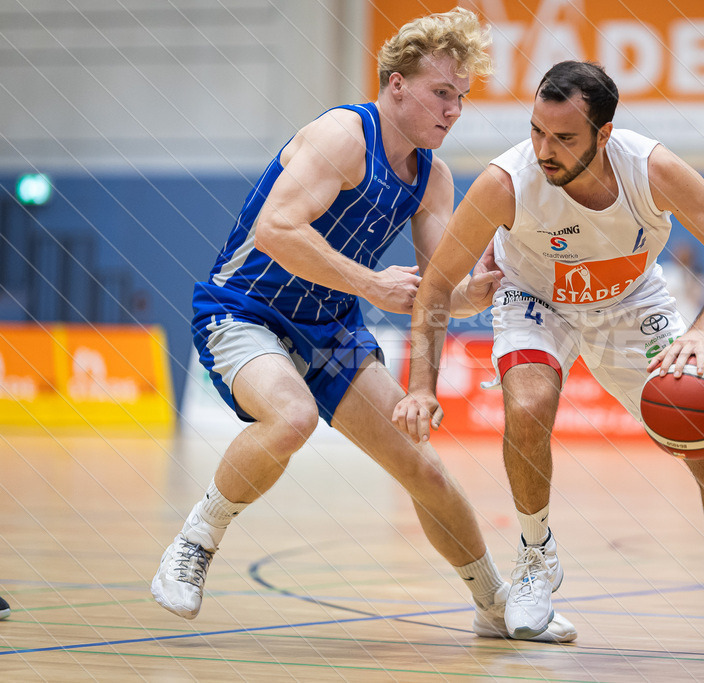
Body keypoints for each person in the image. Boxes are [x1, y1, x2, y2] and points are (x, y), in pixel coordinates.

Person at [151, 8, 576, 643]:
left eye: (461, 97)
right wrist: (372, 284)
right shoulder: (344, 135)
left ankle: (494, 603)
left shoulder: (432, 175)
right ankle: (196, 541)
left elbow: (432, 291)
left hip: (329, 329)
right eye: (441, 93)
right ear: (396, 83)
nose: (453, 110)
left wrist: (472, 294)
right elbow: (276, 229)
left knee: (424, 471)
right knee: (290, 418)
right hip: (245, 310)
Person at [394, 60, 704, 656]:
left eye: (564, 137)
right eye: (537, 130)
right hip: (536, 296)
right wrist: (422, 386)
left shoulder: (653, 170)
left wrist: (702, 332)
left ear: (605, 134)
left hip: (632, 303)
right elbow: (436, 287)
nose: (544, 148)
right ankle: (537, 558)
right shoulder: (506, 182)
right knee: (530, 403)